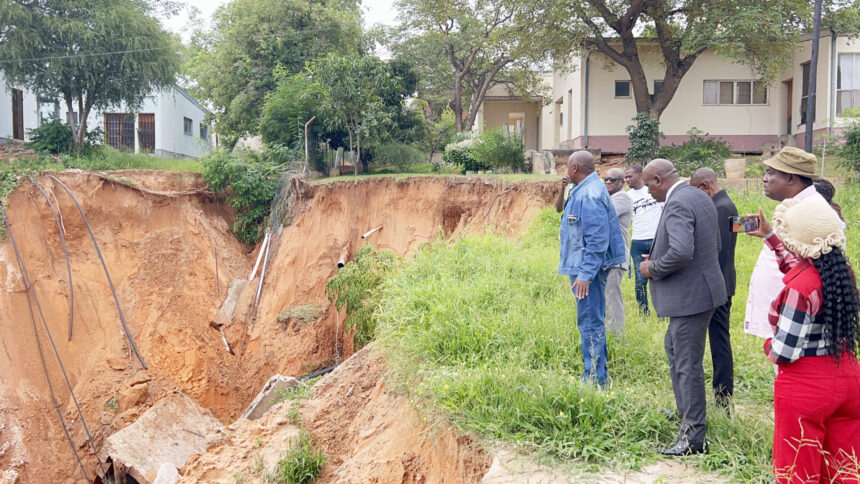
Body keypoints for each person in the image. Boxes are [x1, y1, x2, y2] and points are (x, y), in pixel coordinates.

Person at [746, 197, 860, 483]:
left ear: (796, 241)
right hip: (847, 377)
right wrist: (771, 237)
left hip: (807, 389)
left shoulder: (800, 290)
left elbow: (784, 351)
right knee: (843, 466)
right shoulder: (842, 273)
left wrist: (767, 345)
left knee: (799, 466)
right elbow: (797, 266)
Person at [639, 159, 726, 456]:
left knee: (687, 365)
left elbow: (680, 250)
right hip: (703, 290)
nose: (647, 191)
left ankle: (693, 437)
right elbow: (712, 245)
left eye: (648, 184)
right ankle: (685, 412)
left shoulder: (677, 203)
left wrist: (653, 268)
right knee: (675, 350)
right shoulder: (698, 195)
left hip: (691, 298)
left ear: (660, 180)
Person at [744, 147, 835, 341]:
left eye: (771, 172)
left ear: (791, 178)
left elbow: (808, 272)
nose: (764, 179)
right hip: (789, 306)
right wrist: (769, 234)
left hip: (796, 311)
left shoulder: (808, 212)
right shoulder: (797, 206)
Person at [558, 151, 627, 386]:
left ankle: (595, 381)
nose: (567, 170)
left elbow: (597, 240)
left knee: (589, 322)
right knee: (591, 320)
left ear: (574, 167)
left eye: (568, 166)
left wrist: (585, 274)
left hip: (587, 271)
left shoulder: (589, 194)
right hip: (583, 267)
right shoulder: (586, 190)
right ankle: (598, 376)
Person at [690, 167, 738, 409]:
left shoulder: (719, 208)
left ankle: (723, 398)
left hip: (718, 284)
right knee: (719, 339)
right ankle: (722, 396)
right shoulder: (728, 204)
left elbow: (716, 250)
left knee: (719, 342)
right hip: (725, 279)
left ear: (705, 186)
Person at [625, 164, 662, 315]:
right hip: (638, 241)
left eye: (629, 176)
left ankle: (662, 312)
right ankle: (643, 312)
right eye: (625, 177)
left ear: (640, 175)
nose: (627, 180)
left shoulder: (653, 192)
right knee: (640, 280)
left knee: (659, 277)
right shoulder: (627, 197)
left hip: (657, 240)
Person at [604, 168, 632, 335]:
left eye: (613, 180)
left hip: (616, 256)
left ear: (622, 183)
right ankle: (609, 333)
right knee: (606, 296)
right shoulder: (610, 197)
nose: (608, 182)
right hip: (608, 256)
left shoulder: (622, 197)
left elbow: (603, 216)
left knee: (612, 296)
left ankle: (618, 335)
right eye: (606, 179)